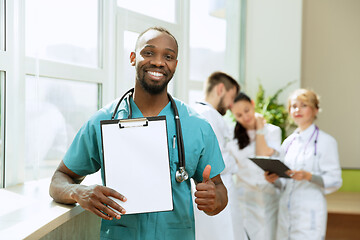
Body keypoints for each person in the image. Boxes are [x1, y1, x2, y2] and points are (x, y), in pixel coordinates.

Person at [49, 26, 228, 240]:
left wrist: (214, 199)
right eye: (149, 52)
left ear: (175, 65)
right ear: (133, 58)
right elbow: (59, 179)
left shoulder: (197, 126)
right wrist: (79, 192)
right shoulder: (103, 121)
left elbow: (218, 189)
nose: (159, 62)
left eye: (168, 56)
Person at [265, 89, 342, 240]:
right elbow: (285, 182)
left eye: (303, 105)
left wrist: (309, 176)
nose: (297, 110)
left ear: (315, 110)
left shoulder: (326, 141)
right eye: (293, 106)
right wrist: (274, 180)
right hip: (286, 210)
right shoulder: (288, 142)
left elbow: (335, 180)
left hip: (309, 211)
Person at [191, 71, 244, 240]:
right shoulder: (209, 115)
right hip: (217, 189)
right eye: (232, 97)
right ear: (221, 89)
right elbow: (217, 158)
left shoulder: (196, 112)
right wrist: (236, 162)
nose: (231, 105)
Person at [227, 92, 282, 240]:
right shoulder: (231, 134)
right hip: (245, 199)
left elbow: (263, 154)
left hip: (269, 197)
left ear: (252, 104)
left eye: (247, 110)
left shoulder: (272, 130)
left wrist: (259, 128)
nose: (245, 117)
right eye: (238, 115)